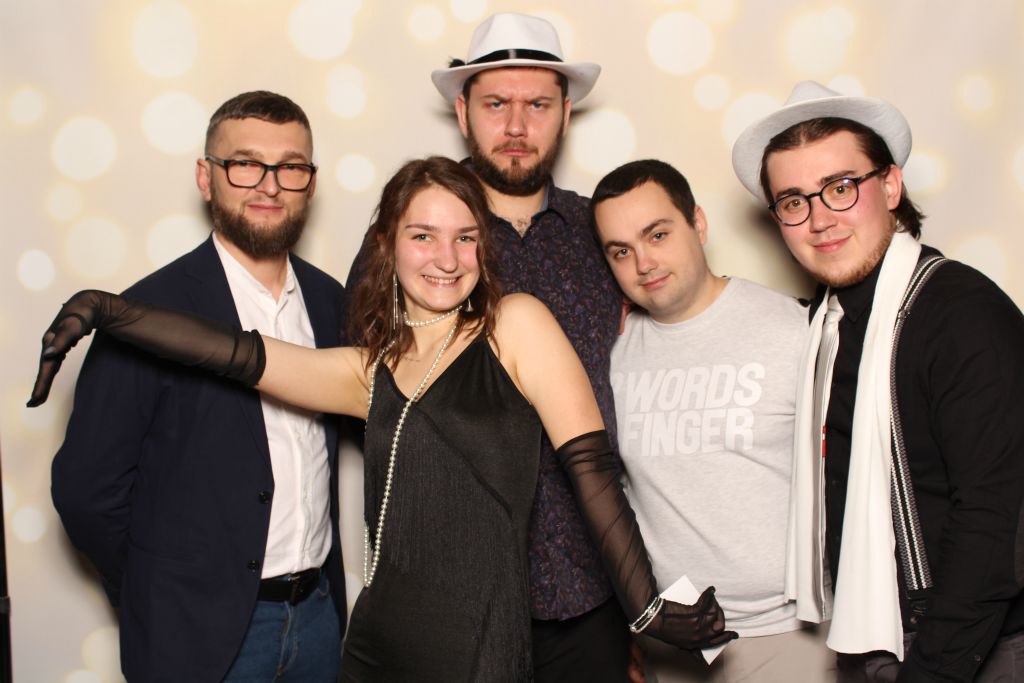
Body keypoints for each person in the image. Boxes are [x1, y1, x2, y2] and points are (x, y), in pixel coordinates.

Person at [31, 156, 735, 682]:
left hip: (478, 652)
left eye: (465, 237)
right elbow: (241, 355)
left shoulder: (516, 324)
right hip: (374, 648)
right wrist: (107, 310)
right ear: (389, 244)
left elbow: (592, 470)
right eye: (423, 236)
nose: (446, 258)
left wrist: (643, 604)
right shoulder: (370, 368)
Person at [345, 15, 632, 680]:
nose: (517, 125)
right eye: (496, 104)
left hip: (586, 595)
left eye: (538, 105)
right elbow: (368, 396)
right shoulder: (410, 242)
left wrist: (638, 598)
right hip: (448, 605)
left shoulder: (599, 233)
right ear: (462, 112)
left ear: (566, 114)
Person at [46, 91, 347, 682]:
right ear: (206, 178)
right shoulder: (147, 315)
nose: (269, 185)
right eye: (245, 164)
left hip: (317, 618)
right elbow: (85, 491)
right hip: (196, 635)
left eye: (290, 167)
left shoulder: (331, 300)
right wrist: (156, 593)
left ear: (310, 183)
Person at [731, 80, 1024, 680]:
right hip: (871, 638)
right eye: (793, 201)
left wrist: (933, 669)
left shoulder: (961, 314)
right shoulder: (825, 326)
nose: (820, 220)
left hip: (971, 647)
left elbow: (998, 521)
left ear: (891, 186)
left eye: (840, 188)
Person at [591, 159, 834, 682]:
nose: (643, 263)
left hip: (787, 634)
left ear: (698, 224)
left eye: (657, 234)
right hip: (673, 642)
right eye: (621, 251)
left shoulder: (795, 330)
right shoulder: (611, 355)